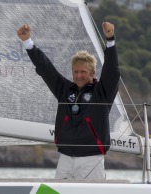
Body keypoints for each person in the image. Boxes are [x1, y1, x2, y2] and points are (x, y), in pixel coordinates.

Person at [17, 22, 120, 180]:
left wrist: (110, 40)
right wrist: (27, 42)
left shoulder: (102, 92)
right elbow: (46, 69)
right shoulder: (64, 89)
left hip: (91, 159)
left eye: (83, 72)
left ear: (92, 73)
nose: (78, 75)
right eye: (75, 72)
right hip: (65, 157)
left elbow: (112, 71)